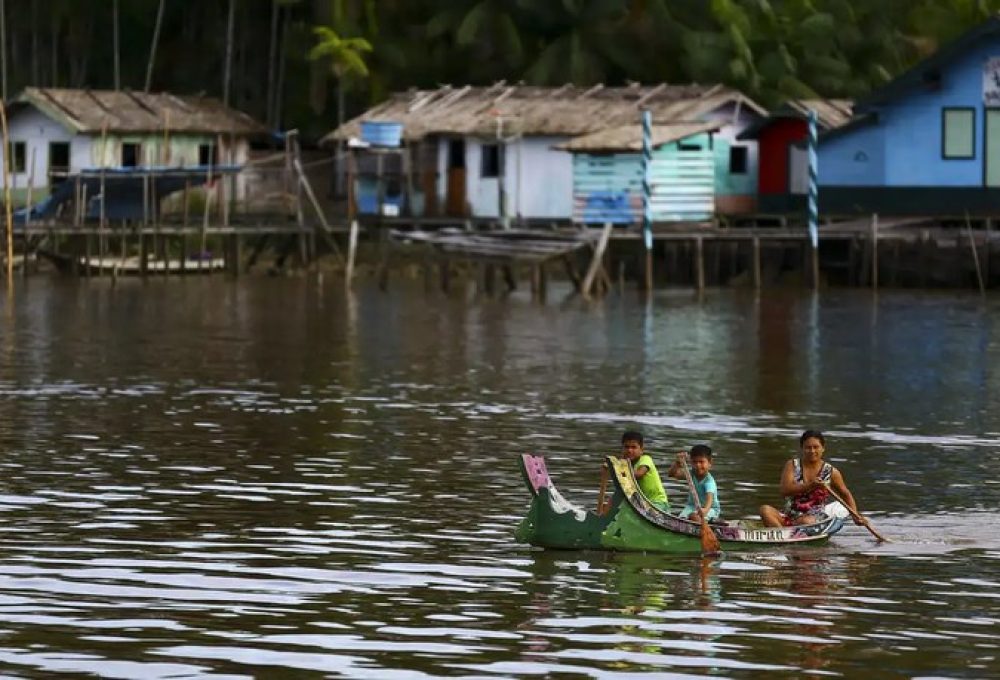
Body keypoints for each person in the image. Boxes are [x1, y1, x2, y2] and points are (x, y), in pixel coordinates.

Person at [759, 429, 865, 528]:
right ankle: (783, 535)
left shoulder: (831, 472)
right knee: (765, 510)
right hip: (789, 516)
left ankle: (784, 535)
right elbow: (784, 491)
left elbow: (845, 494)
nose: (812, 451)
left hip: (813, 520)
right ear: (802, 448)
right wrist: (810, 485)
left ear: (823, 448)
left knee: (806, 522)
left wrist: (855, 516)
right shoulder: (792, 465)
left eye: (816, 447)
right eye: (808, 447)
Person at [667, 444, 721, 522]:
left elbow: (710, 500)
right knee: (681, 519)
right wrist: (677, 463)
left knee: (694, 517)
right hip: (692, 506)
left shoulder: (709, 481)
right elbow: (672, 474)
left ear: (710, 463)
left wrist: (704, 511)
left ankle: (712, 521)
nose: (698, 465)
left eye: (701, 462)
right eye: (695, 462)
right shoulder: (691, 474)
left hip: (710, 509)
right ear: (691, 462)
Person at [620, 430, 669, 511]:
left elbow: (639, 474)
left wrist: (618, 469)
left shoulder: (645, 459)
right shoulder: (626, 465)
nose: (629, 450)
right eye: (626, 447)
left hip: (658, 503)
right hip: (641, 503)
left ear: (641, 449)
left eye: (633, 447)